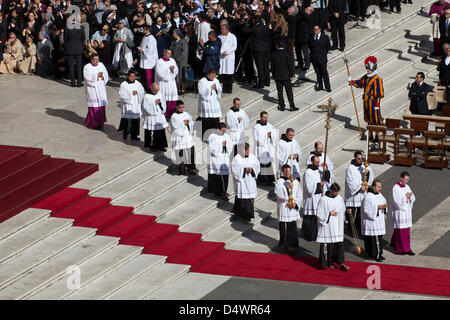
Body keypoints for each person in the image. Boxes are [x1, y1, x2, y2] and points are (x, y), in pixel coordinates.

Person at [316, 182, 350, 271]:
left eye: (338, 192)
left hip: (337, 227)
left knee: (339, 245)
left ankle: (341, 262)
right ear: (331, 190)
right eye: (335, 192)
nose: (337, 194)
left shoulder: (339, 198)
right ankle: (327, 262)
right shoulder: (323, 200)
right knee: (328, 245)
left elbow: (342, 209)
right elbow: (319, 214)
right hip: (328, 227)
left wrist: (347, 212)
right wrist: (329, 213)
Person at [349, 56, 385, 141]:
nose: (367, 70)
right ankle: (370, 135)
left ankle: (376, 135)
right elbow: (360, 84)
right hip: (366, 100)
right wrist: (352, 82)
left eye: (369, 69)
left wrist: (377, 103)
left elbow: (380, 94)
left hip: (373, 101)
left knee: (375, 119)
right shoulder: (366, 76)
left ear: (372, 69)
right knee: (369, 119)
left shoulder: (377, 79)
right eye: (367, 69)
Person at [301, 155, 330, 241]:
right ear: (312, 162)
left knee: (316, 217)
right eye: (316, 162)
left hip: (317, 198)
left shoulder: (318, 171)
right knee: (310, 218)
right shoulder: (308, 173)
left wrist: (326, 170)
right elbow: (309, 188)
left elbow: (327, 179)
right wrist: (318, 185)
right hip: (311, 199)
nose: (318, 164)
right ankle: (307, 235)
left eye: (318, 162)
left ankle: (316, 234)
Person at [345, 151, 374, 236]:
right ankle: (351, 230)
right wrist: (360, 187)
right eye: (359, 158)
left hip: (362, 195)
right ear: (355, 158)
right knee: (352, 215)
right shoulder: (350, 168)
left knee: (360, 214)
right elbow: (350, 182)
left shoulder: (363, 167)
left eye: (361, 158)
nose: (360, 160)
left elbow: (369, 177)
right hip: (353, 195)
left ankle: (359, 228)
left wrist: (367, 173)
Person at [275, 164, 302, 252]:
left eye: (289, 171)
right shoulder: (279, 182)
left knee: (292, 227)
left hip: (292, 208)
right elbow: (279, 194)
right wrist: (287, 190)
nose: (287, 173)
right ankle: (283, 241)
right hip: (284, 207)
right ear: (283, 171)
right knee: (283, 226)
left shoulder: (295, 181)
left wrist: (296, 203)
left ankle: (292, 244)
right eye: (286, 171)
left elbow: (299, 194)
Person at [232, 142, 260, 223]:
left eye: (247, 150)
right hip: (242, 183)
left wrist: (252, 170)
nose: (247, 152)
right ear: (241, 150)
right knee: (242, 200)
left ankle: (248, 216)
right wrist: (244, 170)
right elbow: (235, 171)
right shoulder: (237, 158)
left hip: (250, 182)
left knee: (249, 200)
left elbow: (257, 167)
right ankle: (240, 214)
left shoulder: (253, 157)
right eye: (245, 150)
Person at [389, 171, 416, 256]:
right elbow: (396, 201)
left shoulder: (407, 186)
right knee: (401, 231)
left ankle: (394, 243)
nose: (407, 181)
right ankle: (403, 249)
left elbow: (413, 197)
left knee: (405, 231)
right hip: (399, 212)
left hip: (406, 212)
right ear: (401, 178)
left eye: (408, 180)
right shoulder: (395, 188)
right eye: (405, 179)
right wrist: (406, 197)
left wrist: (410, 196)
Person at [361, 179, 388, 262]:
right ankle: (376, 255)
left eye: (380, 186)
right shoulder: (368, 196)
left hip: (378, 221)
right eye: (378, 186)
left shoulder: (380, 195)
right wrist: (377, 207)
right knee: (374, 239)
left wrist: (384, 208)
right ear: (373, 187)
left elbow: (385, 204)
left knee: (377, 239)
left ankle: (376, 253)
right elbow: (366, 209)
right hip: (372, 222)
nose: (380, 188)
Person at [207, 122, 233, 201]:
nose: (224, 132)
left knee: (225, 176)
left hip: (225, 158)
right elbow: (212, 149)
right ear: (218, 130)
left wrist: (226, 146)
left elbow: (230, 146)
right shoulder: (212, 136)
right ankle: (221, 192)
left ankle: (223, 191)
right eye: (222, 130)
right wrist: (222, 146)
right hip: (216, 159)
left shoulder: (226, 136)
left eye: (225, 130)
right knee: (219, 177)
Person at [170, 100, 197, 175]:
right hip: (180, 139)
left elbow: (191, 122)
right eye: (180, 108)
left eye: (182, 107)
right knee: (181, 154)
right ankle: (182, 169)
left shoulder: (186, 114)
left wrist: (189, 123)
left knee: (191, 153)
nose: (182, 109)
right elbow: (175, 127)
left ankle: (191, 168)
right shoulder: (174, 116)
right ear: (176, 107)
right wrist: (183, 123)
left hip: (188, 137)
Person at [83, 54, 109, 130]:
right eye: (95, 59)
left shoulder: (101, 65)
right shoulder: (87, 67)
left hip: (100, 88)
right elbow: (87, 78)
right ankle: (95, 124)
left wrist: (102, 75)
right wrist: (96, 75)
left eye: (98, 59)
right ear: (91, 60)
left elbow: (106, 74)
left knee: (101, 106)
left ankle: (100, 122)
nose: (97, 61)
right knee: (94, 107)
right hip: (93, 89)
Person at [271, 41, 298, 112]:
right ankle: (292, 106)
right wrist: (292, 74)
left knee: (280, 92)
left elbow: (272, 67)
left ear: (277, 46)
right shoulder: (286, 54)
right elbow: (290, 65)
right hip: (286, 76)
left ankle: (282, 106)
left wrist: (273, 75)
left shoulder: (273, 54)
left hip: (277, 76)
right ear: (283, 46)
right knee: (289, 92)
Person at [119, 70, 145, 141]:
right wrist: (131, 93)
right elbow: (122, 95)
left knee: (136, 121)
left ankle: (134, 135)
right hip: (128, 105)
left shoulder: (138, 83)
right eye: (132, 76)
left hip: (136, 105)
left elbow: (142, 92)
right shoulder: (123, 84)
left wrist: (138, 92)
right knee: (127, 121)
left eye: (134, 76)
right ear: (128, 76)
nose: (133, 78)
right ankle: (125, 134)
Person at [253, 111, 278, 186]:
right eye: (264, 117)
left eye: (266, 117)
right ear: (260, 117)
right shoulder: (256, 127)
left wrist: (271, 135)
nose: (265, 119)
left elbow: (275, 134)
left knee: (268, 164)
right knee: (261, 164)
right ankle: (261, 180)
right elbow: (256, 138)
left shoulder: (270, 125)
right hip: (260, 148)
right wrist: (266, 135)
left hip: (268, 148)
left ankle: (269, 180)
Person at [142, 83, 168, 152]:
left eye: (158, 90)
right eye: (156, 90)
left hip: (159, 116)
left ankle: (161, 145)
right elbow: (146, 107)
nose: (157, 92)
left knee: (160, 131)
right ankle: (152, 146)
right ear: (152, 89)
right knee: (151, 132)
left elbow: (164, 104)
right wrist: (154, 103)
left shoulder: (160, 94)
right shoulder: (147, 96)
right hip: (151, 117)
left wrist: (160, 103)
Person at [197, 68, 222, 140]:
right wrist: (210, 88)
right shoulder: (202, 81)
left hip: (214, 103)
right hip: (206, 104)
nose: (213, 77)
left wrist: (216, 89)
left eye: (214, 75)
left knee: (215, 120)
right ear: (208, 74)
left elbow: (219, 91)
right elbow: (202, 93)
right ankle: (206, 137)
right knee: (207, 121)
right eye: (212, 75)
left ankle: (215, 136)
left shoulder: (216, 80)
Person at [155, 48, 179, 119]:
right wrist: (169, 70)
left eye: (170, 53)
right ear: (164, 53)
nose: (169, 55)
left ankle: (171, 115)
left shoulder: (172, 60)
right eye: (168, 53)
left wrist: (173, 70)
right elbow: (159, 73)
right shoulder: (160, 62)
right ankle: (163, 115)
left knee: (172, 99)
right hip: (163, 83)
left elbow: (176, 70)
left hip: (171, 83)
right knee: (164, 99)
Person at [308, 24, 331, 92]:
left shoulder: (325, 37)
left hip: (322, 58)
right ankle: (320, 86)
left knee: (324, 73)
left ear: (320, 30)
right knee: (318, 73)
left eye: (316, 29)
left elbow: (328, 47)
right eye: (314, 29)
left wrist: (323, 54)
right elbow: (310, 46)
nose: (315, 31)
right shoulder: (311, 37)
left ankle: (328, 87)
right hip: (314, 58)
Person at [138, 25, 158, 93]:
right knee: (144, 74)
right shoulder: (145, 37)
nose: (143, 30)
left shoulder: (151, 38)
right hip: (144, 58)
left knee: (149, 75)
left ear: (148, 30)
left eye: (144, 29)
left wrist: (143, 51)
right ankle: (145, 86)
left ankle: (150, 88)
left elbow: (150, 49)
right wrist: (140, 49)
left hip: (149, 60)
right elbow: (142, 45)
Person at [218, 23, 237, 94]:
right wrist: (221, 52)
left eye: (222, 29)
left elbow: (234, 47)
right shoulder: (219, 37)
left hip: (229, 57)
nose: (221, 30)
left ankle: (229, 88)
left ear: (227, 29)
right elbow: (218, 46)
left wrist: (227, 52)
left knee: (229, 74)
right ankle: (224, 88)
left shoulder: (232, 37)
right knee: (223, 74)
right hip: (222, 57)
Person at [64, 22, 85, 86]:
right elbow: (83, 38)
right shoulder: (81, 28)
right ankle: (79, 82)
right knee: (79, 66)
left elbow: (65, 39)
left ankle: (72, 82)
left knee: (71, 66)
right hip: (79, 48)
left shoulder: (66, 28)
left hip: (70, 48)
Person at [170, 28, 189, 96]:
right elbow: (171, 51)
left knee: (182, 76)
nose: (173, 35)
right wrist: (172, 59)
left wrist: (177, 59)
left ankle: (183, 89)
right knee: (177, 76)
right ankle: (178, 89)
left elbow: (183, 53)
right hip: (175, 62)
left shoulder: (183, 42)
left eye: (174, 34)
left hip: (182, 62)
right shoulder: (173, 42)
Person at [295, 5, 314, 71]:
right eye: (305, 9)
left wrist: (298, 6)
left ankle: (307, 65)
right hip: (298, 36)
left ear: (310, 12)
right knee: (297, 51)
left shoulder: (310, 17)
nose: (305, 10)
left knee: (305, 51)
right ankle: (300, 63)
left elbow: (303, 14)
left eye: (307, 9)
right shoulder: (302, 16)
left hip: (305, 37)